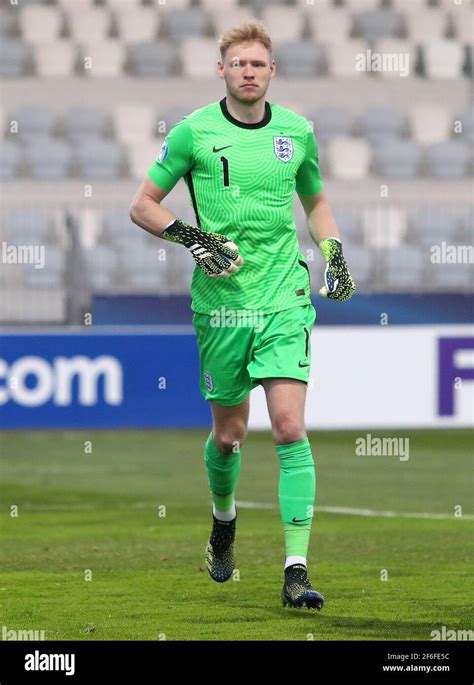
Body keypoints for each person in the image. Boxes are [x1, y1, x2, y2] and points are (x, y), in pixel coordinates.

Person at [130, 21, 355, 610]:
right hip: (223, 306)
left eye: (258, 63)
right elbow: (142, 206)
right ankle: (223, 522)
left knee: (288, 428)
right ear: (222, 69)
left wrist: (333, 254)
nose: (248, 71)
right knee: (229, 438)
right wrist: (192, 237)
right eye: (238, 64)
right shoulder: (193, 133)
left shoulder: (297, 132)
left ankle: (296, 571)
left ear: (272, 70)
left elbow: (317, 201)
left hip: (284, 298)